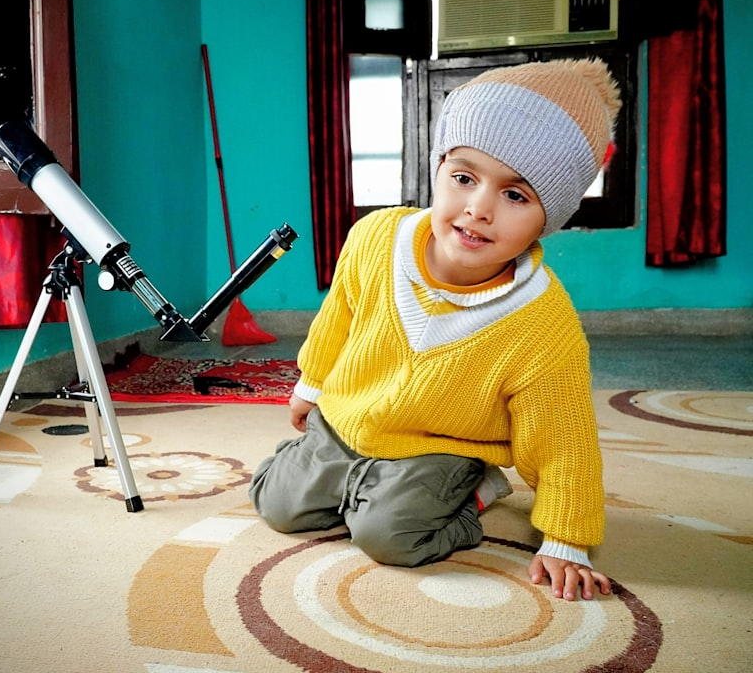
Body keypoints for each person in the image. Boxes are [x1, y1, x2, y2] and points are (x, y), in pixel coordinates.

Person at [250, 59, 621, 602]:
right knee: (276, 504)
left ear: (550, 217)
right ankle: (347, 478)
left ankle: (474, 491)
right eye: (464, 178)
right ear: (439, 166)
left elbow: (564, 437)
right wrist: (314, 383)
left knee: (388, 536)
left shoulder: (544, 322)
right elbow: (340, 316)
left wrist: (566, 537)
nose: (478, 208)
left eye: (515, 196)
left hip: (441, 447)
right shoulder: (375, 237)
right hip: (352, 418)